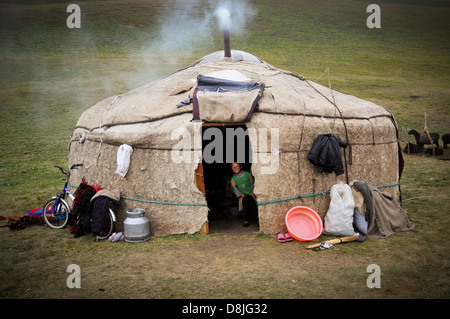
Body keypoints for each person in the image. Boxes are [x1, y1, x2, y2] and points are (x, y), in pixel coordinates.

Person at [230, 162, 258, 227]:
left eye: (237, 166)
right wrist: (240, 194)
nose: (235, 168)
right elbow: (234, 188)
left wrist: (253, 191)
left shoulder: (248, 174)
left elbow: (252, 183)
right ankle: (246, 221)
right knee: (244, 208)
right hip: (243, 195)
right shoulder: (233, 179)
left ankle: (258, 220)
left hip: (251, 194)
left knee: (255, 207)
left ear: (241, 166)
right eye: (233, 167)